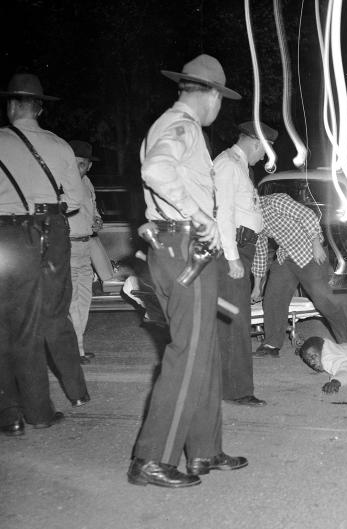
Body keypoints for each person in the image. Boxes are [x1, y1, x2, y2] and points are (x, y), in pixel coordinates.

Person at [129, 54, 248, 488]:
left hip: (184, 246)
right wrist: (199, 216)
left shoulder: (177, 126)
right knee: (188, 352)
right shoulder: (181, 125)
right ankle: (151, 458)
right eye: (221, 98)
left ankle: (203, 451)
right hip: (185, 246)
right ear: (213, 96)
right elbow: (156, 170)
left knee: (204, 352)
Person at [2, 73, 90, 414]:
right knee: (55, 314)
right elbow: (75, 202)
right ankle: (77, 391)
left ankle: (16, 415)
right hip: (51, 231)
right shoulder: (59, 145)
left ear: (12, 105)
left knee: (10, 321)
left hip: (7, 236)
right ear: (39, 108)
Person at [213, 120, 277, 407]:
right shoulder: (228, 164)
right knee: (236, 322)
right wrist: (232, 256)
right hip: (233, 248)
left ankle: (226, 386)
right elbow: (222, 213)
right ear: (255, 142)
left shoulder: (238, 166)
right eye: (265, 150)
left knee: (230, 320)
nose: (264, 156)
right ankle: (238, 390)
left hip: (243, 246)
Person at [251, 192, 347, 357]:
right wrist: (257, 286)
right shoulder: (251, 218)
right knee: (273, 297)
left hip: (310, 251)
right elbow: (261, 251)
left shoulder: (276, 201)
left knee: (323, 300)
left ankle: (346, 336)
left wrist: (315, 242)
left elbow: (307, 214)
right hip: (285, 255)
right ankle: (271, 344)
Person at [67, 140, 114, 365]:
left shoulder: (88, 183)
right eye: (73, 163)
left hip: (86, 247)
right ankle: (71, 351)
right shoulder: (60, 184)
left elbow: (94, 213)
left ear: (89, 167)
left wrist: (97, 221)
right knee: (71, 300)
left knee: (84, 300)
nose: (78, 169)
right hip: (67, 247)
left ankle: (79, 349)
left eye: (82, 165)